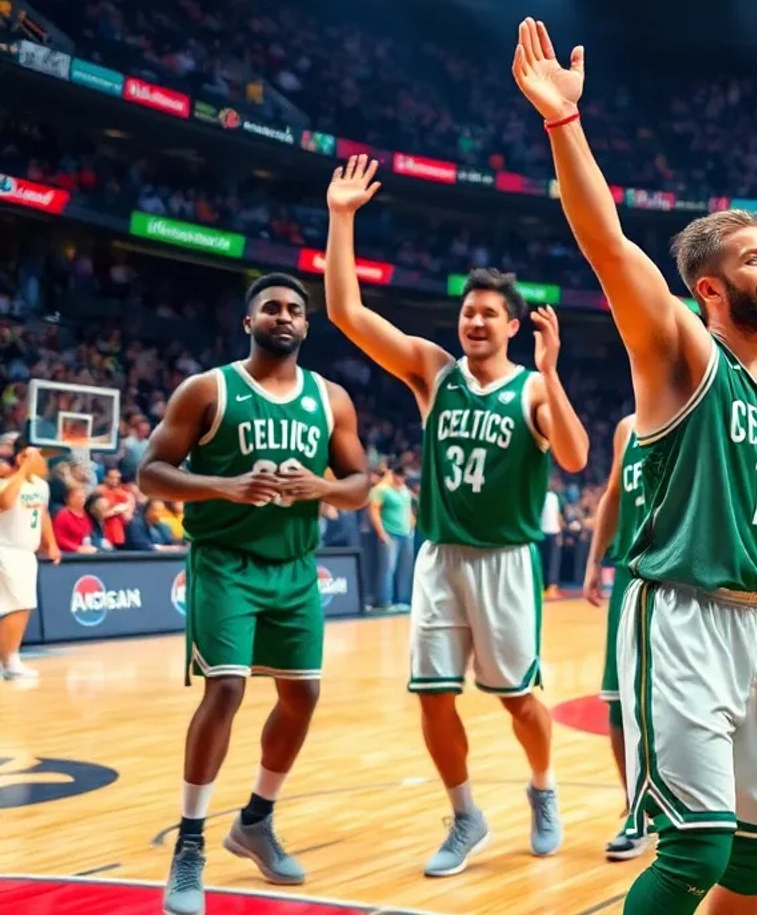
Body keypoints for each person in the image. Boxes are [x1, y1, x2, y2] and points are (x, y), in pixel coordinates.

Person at [515, 16, 757, 915]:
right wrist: (563, 126)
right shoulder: (685, 356)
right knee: (695, 848)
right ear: (708, 289)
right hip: (682, 616)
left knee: (756, 862)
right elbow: (610, 246)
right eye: (753, 258)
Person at [323, 154, 591, 876]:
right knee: (433, 700)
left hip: (506, 561)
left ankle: (542, 788)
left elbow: (572, 456)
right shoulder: (433, 374)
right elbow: (347, 314)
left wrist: (555, 373)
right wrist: (342, 219)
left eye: (488, 313)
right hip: (441, 556)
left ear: (510, 325)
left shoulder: (532, 390)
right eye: (468, 312)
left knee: (519, 703)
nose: (475, 320)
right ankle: (466, 814)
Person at [139, 273, 371, 915]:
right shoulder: (208, 389)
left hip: (295, 569)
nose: (285, 315)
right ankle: (189, 847)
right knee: (229, 688)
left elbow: (359, 484)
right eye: (271, 307)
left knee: (303, 695)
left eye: (295, 309)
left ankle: (256, 822)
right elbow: (150, 473)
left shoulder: (331, 399)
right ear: (249, 322)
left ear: (306, 324)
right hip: (225, 563)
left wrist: (321, 488)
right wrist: (226, 486)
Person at [582, 411, 653, 862]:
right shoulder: (626, 427)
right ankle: (636, 810)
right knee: (620, 700)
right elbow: (612, 496)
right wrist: (594, 561)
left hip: (686, 578)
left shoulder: (706, 409)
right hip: (630, 578)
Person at [0, 438, 58, 680]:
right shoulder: (6, 482)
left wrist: (52, 543)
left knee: (18, 607)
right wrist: (22, 469)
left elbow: (42, 514)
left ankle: (9, 660)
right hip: (7, 548)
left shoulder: (41, 487)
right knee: (19, 606)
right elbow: (5, 502)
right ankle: (10, 662)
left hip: (26, 552)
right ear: (21, 457)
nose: (42, 461)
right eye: (37, 456)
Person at [368, 466, 416, 611]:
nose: (403, 479)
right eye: (400, 475)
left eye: (404, 476)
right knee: (388, 568)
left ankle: (403, 600)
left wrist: (411, 525)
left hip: (406, 534)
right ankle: (385, 601)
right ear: (393, 474)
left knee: (405, 569)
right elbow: (374, 511)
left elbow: (408, 509)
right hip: (390, 533)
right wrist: (381, 533)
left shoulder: (405, 491)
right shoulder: (381, 490)